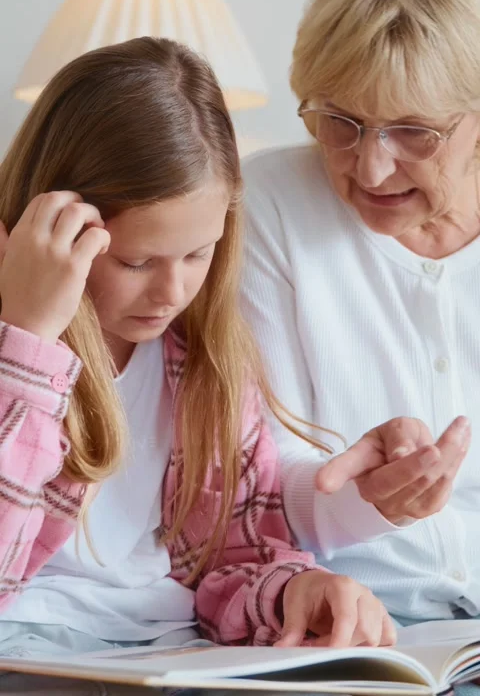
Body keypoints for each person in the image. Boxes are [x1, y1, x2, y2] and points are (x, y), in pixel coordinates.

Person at [0, 37, 394, 693]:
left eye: (198, 254)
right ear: (54, 225)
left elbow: (231, 556)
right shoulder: (17, 345)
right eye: (137, 262)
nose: (172, 292)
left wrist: (295, 590)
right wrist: (28, 341)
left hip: (169, 652)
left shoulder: (200, 358)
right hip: (27, 654)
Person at [241, 0, 480, 625]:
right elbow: (259, 483)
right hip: (356, 627)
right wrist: (361, 499)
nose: (369, 167)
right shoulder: (267, 206)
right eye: (340, 121)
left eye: (414, 132)